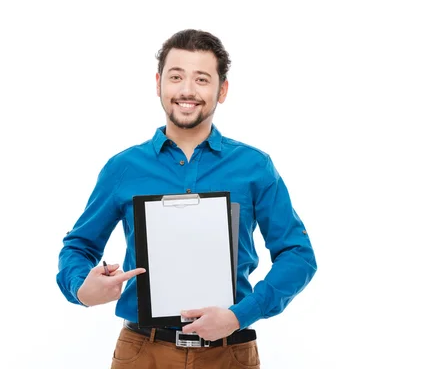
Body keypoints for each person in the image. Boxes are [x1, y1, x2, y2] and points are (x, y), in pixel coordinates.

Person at [56, 29, 317, 368]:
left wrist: (241, 314)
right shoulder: (123, 168)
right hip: (143, 352)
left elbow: (298, 255)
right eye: (176, 77)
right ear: (158, 84)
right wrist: (81, 288)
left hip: (229, 353)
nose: (187, 90)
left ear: (222, 89)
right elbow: (78, 247)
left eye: (202, 79)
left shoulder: (255, 167)